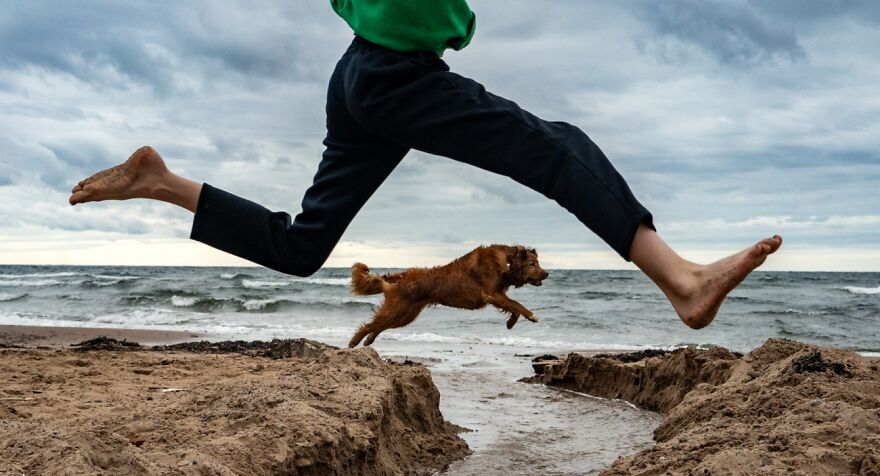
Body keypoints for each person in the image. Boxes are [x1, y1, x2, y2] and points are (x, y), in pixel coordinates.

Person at [68, 0, 781, 330]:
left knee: (302, 245)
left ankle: (163, 181)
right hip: (393, 78)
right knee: (556, 148)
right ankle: (681, 281)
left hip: (358, 76)